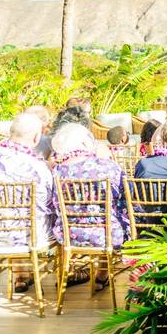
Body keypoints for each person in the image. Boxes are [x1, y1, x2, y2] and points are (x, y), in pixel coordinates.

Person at [0, 113, 54, 293]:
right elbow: (48, 202)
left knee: (12, 216)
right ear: (36, 137)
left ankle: (21, 274)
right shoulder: (37, 167)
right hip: (30, 237)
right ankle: (67, 276)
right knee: (57, 214)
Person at [50, 123, 129, 290]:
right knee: (114, 215)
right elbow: (124, 197)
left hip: (69, 235)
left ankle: (71, 271)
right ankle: (102, 273)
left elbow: (55, 204)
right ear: (86, 143)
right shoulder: (108, 166)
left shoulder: (58, 171)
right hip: (106, 233)